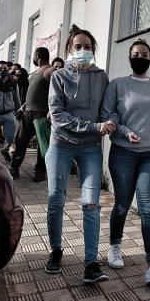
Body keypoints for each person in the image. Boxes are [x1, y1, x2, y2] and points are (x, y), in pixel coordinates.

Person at [44, 26, 116, 284]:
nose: (83, 51)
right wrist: (93, 126)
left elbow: (110, 110)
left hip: (90, 148)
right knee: (55, 199)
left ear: (93, 50)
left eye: (88, 47)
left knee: (91, 203)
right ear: (69, 50)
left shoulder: (101, 77)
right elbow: (57, 116)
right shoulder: (59, 77)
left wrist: (110, 123)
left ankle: (91, 263)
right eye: (78, 47)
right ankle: (55, 250)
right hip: (61, 144)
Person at [101, 39, 150, 285]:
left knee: (148, 208)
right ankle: (114, 246)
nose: (140, 57)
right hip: (123, 153)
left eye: (144, 54)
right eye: (136, 54)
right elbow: (107, 116)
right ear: (130, 58)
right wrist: (123, 131)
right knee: (122, 204)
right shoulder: (118, 85)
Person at [10, 48, 56, 181]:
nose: (34, 59)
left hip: (41, 114)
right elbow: (31, 94)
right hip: (28, 113)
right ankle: (14, 169)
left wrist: (51, 110)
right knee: (20, 141)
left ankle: (40, 172)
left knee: (42, 145)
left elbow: (58, 92)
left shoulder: (50, 71)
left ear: (38, 56)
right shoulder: (35, 73)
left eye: (34, 57)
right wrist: (23, 107)